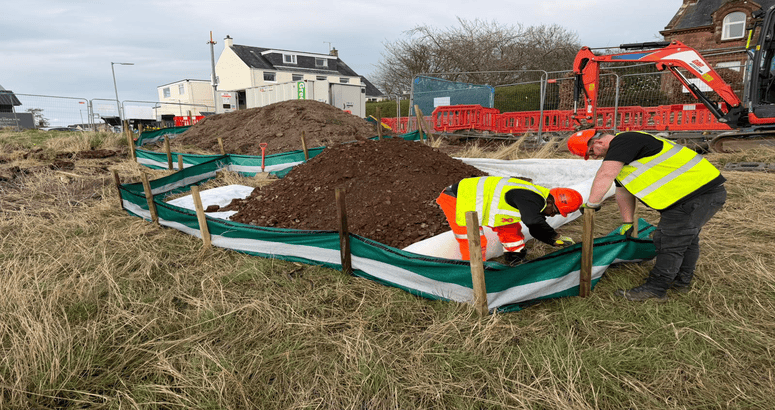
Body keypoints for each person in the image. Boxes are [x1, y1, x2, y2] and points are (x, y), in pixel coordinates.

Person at [567, 129, 727, 301]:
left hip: (696, 195)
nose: (594, 157)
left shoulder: (624, 141)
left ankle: (656, 289)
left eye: (591, 152)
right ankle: (681, 282)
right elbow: (622, 191)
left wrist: (592, 203)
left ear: (598, 142)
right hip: (696, 195)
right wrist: (627, 222)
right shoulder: (625, 153)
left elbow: (605, 174)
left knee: (669, 241)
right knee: (686, 239)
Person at [436, 176, 583, 266]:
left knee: (511, 229)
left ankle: (515, 259)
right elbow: (533, 222)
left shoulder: (537, 196)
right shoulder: (532, 199)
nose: (552, 216)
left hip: (483, 201)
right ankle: (473, 274)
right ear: (551, 202)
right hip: (458, 198)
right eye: (555, 212)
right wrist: (553, 238)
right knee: (473, 241)